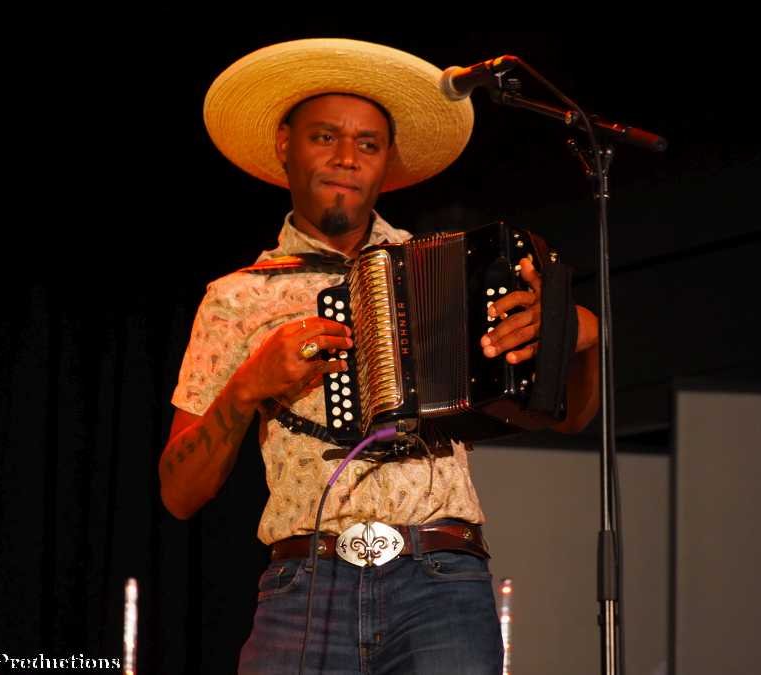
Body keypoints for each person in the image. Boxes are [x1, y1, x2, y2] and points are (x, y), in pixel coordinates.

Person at [159, 38, 599, 674]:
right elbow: (179, 494)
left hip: (442, 579)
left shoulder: (454, 271)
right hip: (306, 585)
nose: (346, 158)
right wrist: (249, 384)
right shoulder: (235, 297)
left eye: (368, 145)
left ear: (387, 161)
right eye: (325, 138)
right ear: (285, 144)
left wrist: (574, 335)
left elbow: (568, 417)